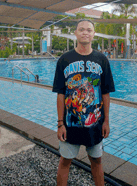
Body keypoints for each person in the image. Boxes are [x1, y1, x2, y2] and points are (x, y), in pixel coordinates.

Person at [53, 19, 115, 186]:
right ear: (75, 33)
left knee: (97, 162)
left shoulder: (102, 60)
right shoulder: (64, 60)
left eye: (89, 30)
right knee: (65, 162)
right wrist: (60, 124)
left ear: (93, 34)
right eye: (81, 29)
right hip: (70, 125)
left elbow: (106, 93)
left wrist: (106, 122)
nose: (85, 32)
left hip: (95, 125)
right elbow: (60, 94)